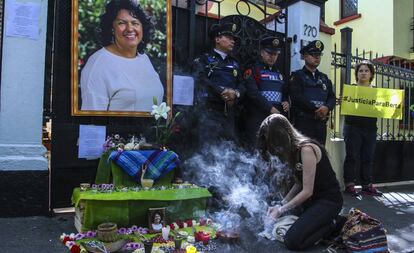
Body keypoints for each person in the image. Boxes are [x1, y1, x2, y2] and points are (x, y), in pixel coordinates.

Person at [259, 114, 343, 250]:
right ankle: (323, 221)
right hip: (311, 203)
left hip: (328, 201)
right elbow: (299, 183)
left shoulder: (306, 149)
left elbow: (307, 191)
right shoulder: (294, 151)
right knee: (286, 225)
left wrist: (280, 210)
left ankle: (334, 223)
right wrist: (281, 204)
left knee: (292, 241)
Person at [80, 0, 164, 111]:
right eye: (121, 23)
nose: (130, 28)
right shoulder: (98, 65)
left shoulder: (144, 59)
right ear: (112, 29)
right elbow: (93, 120)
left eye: (135, 23)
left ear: (142, 28)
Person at [193, 22, 245, 144]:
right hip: (209, 111)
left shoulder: (235, 62)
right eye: (229, 38)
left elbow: (243, 84)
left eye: (233, 39)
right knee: (208, 148)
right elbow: (201, 79)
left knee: (229, 148)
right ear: (217, 39)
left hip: (229, 113)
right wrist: (222, 92)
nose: (233, 41)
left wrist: (236, 93)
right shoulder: (204, 59)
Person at [343, 61, 382, 197]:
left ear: (371, 74)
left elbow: (381, 109)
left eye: (366, 71)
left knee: (368, 157)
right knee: (351, 156)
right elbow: (346, 108)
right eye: (360, 71)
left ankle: (367, 185)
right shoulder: (351, 90)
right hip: (353, 127)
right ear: (356, 74)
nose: (363, 73)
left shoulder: (377, 92)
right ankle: (349, 185)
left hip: (370, 128)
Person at [241, 36, 289, 146]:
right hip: (257, 118)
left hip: (275, 119)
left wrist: (286, 101)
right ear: (262, 52)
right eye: (269, 53)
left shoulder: (279, 73)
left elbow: (284, 92)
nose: (272, 57)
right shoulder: (253, 70)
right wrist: (270, 108)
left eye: (275, 54)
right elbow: (252, 93)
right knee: (257, 151)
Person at [289, 40, 336, 145]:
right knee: (302, 153)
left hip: (320, 123)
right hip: (303, 122)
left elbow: (332, 97)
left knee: (320, 154)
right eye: (313, 54)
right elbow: (297, 97)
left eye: (319, 54)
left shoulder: (324, 78)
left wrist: (327, 108)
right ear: (305, 56)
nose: (317, 57)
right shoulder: (297, 76)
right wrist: (316, 110)